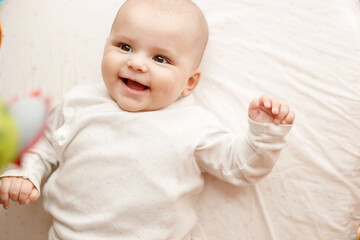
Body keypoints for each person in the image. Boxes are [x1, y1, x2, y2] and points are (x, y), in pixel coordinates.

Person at [0, 0, 295, 239]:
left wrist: (263, 133)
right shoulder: (80, 103)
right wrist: (23, 173)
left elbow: (238, 166)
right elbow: (42, 144)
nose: (136, 63)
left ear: (189, 83)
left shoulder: (193, 125)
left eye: (161, 59)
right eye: (125, 47)